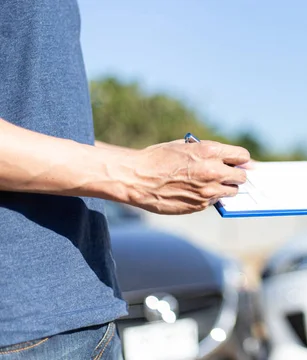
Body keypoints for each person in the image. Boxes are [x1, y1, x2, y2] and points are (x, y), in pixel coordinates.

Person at [0, 1, 249, 359]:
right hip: (18, 333)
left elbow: (45, 128)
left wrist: (159, 164)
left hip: (94, 312)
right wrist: (136, 174)